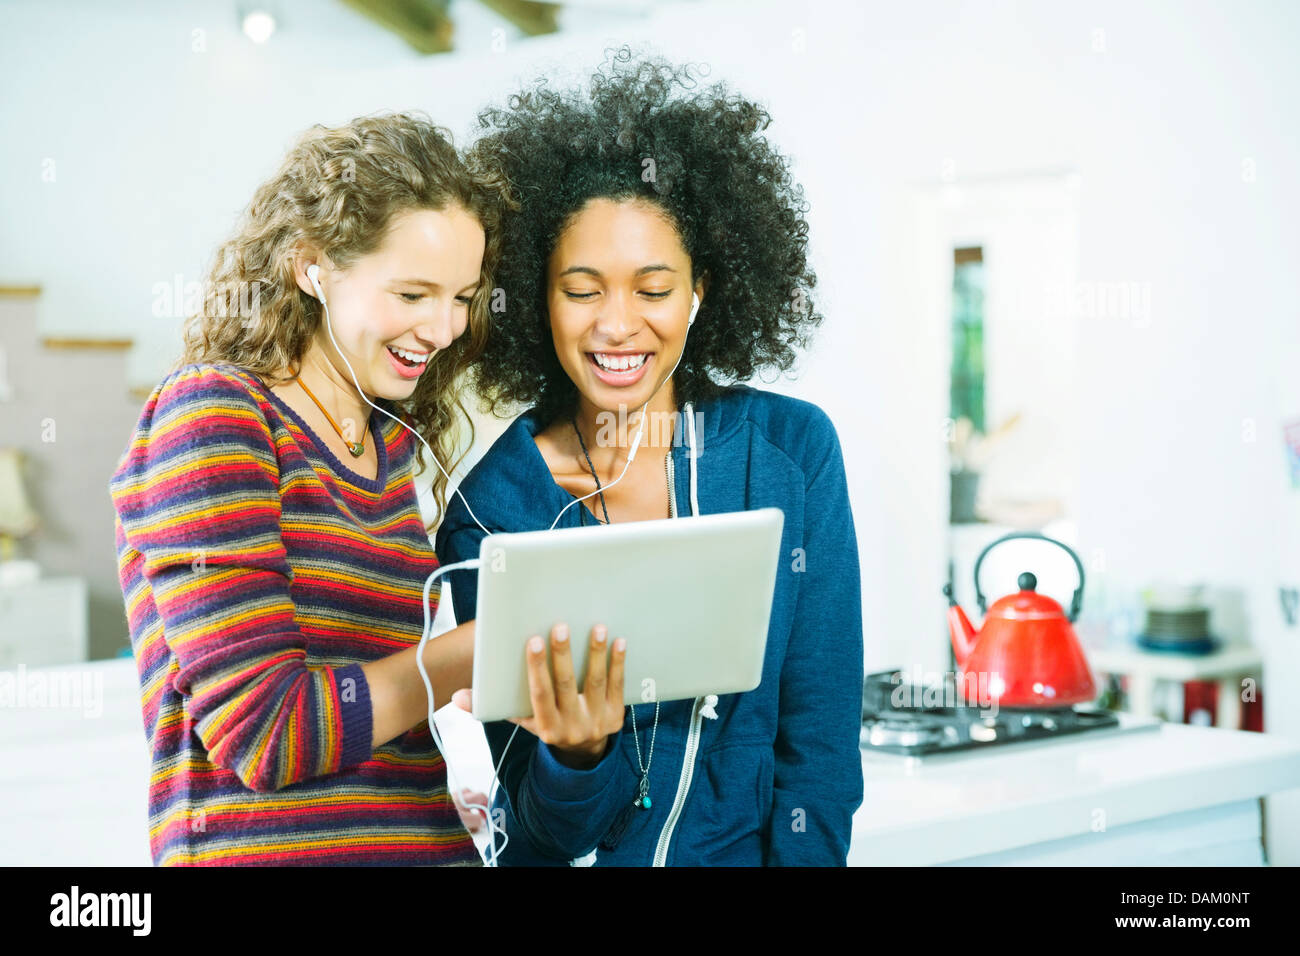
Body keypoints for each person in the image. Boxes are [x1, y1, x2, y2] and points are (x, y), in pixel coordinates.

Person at [436, 48, 864, 866]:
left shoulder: (789, 454)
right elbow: (532, 839)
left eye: (654, 288)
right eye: (582, 287)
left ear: (702, 291)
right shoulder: (494, 512)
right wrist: (578, 755)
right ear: (539, 295)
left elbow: (819, 754)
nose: (617, 325)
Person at [109, 112, 514, 865]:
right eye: (413, 293)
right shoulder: (215, 415)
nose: (443, 327)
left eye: (461, 296)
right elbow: (269, 732)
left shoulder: (387, 448)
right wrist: (482, 652)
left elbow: (383, 707)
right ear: (311, 266)